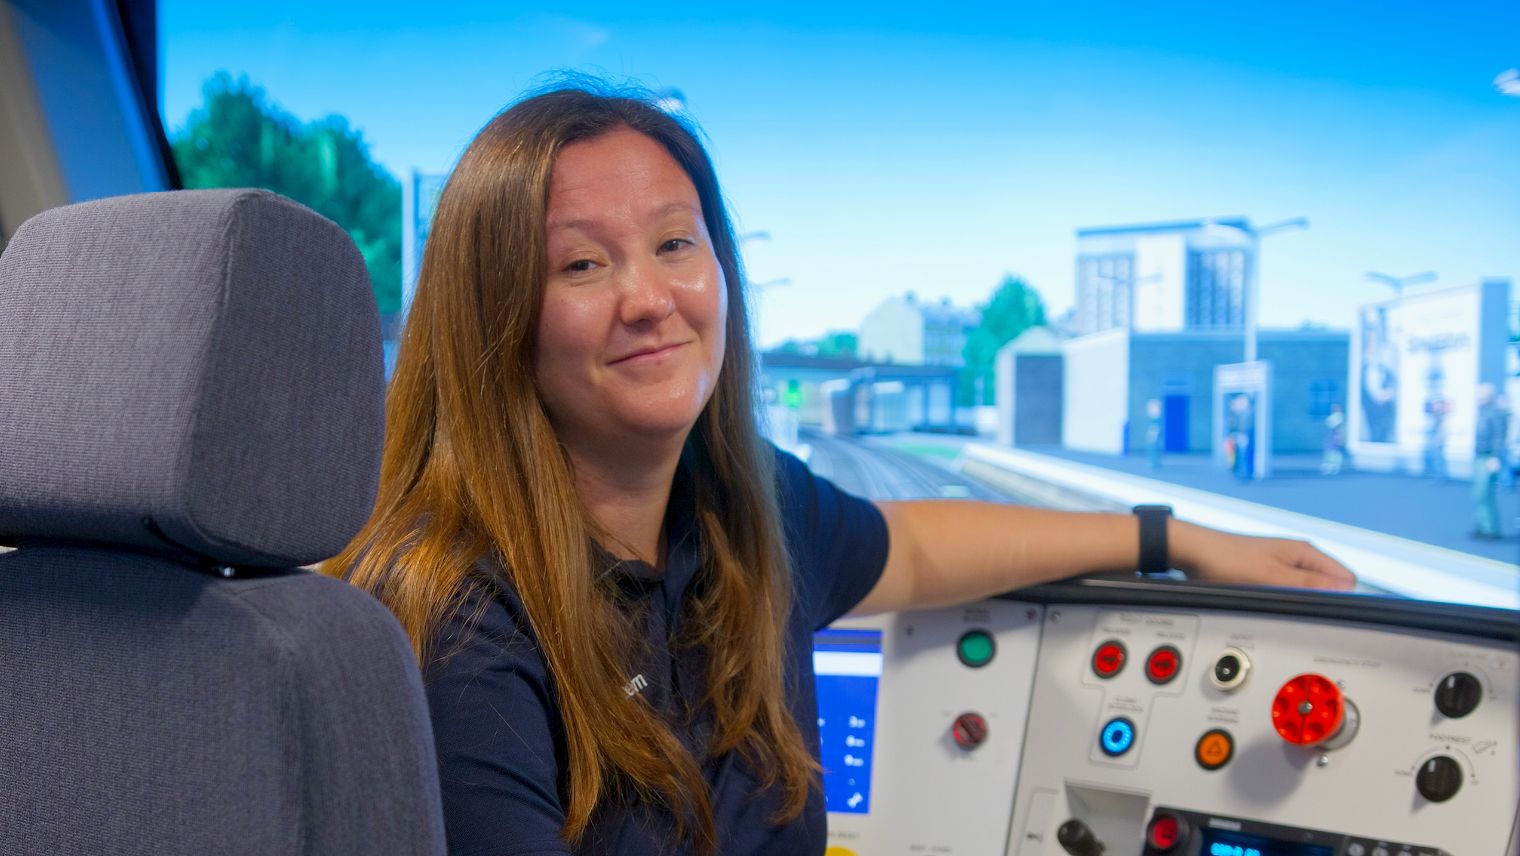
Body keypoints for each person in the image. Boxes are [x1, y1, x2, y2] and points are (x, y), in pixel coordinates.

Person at [325, 85, 1355, 856]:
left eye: (674, 243)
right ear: (496, 321)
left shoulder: (735, 509)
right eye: (582, 264)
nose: (649, 297)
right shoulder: (459, 623)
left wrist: (1164, 535)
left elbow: (903, 546)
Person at [1472, 383, 1507, 539]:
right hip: (1479, 456)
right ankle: (1482, 526)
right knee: (1478, 493)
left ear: (1488, 395)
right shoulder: (1482, 412)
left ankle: (1491, 528)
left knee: (1486, 493)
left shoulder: (1496, 413)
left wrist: (1495, 457)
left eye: (1480, 393)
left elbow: (1499, 437)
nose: (1477, 395)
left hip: (1488, 457)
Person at [1321, 403, 1346, 476]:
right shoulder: (1335, 416)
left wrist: (1338, 437)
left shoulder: (1338, 417)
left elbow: (1338, 428)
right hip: (1331, 436)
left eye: (1335, 407)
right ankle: (1330, 465)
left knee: (1334, 451)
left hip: (1335, 436)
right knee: (1330, 450)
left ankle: (1334, 465)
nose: (1333, 409)